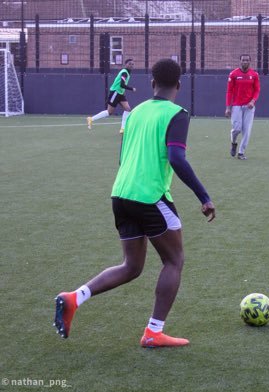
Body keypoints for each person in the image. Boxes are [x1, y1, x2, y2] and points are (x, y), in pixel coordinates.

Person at [55, 58, 216, 348]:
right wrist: (204, 196)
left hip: (121, 193)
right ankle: (154, 332)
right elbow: (177, 158)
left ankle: (73, 298)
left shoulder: (136, 111)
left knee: (132, 266)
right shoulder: (177, 113)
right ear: (179, 86)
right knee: (174, 260)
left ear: (153, 83)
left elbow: (122, 156)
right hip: (149, 195)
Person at [87, 59, 137, 134]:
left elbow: (119, 84)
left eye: (133, 64)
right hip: (115, 93)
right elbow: (122, 85)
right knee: (109, 112)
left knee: (128, 109)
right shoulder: (124, 72)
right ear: (125, 64)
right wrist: (132, 88)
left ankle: (123, 129)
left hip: (120, 93)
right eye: (130, 64)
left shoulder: (126, 73)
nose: (131, 65)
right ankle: (91, 119)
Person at [225, 54, 260, 160]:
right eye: (243, 60)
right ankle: (234, 143)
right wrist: (228, 107)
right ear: (240, 61)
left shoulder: (254, 74)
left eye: (247, 60)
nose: (245, 62)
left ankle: (241, 152)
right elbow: (229, 91)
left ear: (250, 61)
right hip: (236, 106)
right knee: (236, 129)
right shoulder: (233, 74)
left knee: (247, 130)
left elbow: (257, 90)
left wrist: (253, 101)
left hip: (249, 107)